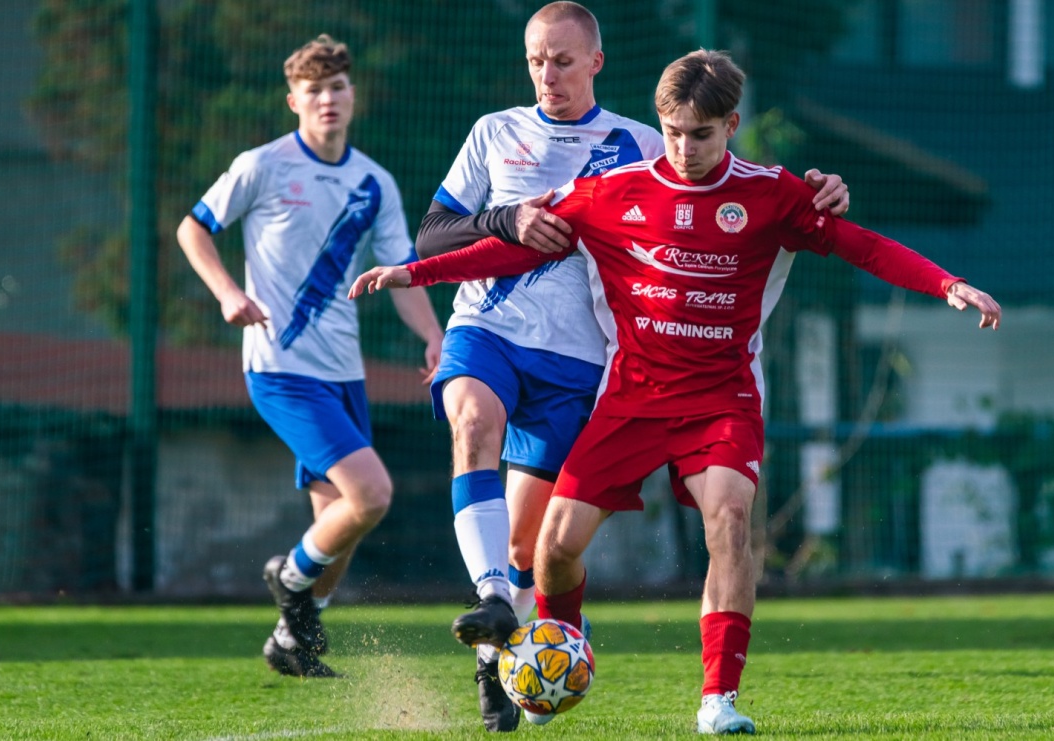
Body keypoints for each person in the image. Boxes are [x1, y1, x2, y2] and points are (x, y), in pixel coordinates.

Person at [350, 48, 1001, 734]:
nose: (686, 149)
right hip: (631, 398)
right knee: (554, 549)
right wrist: (416, 272)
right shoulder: (612, 191)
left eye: (702, 134)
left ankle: (718, 699)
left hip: (722, 401)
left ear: (731, 125)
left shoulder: (772, 193)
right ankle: (557, 651)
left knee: (728, 519)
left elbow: (860, 245)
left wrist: (946, 283)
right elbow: (523, 248)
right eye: (675, 132)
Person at [414, 2, 850, 732]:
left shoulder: (650, 142)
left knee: (534, 545)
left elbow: (728, 196)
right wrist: (505, 219)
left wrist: (817, 196)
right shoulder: (494, 132)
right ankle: (492, 599)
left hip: (583, 362)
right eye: (534, 60)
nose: (546, 74)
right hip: (489, 328)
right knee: (472, 421)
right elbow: (433, 233)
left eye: (561, 60)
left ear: (596, 63)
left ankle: (502, 653)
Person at [175, 35, 443, 679]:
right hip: (280, 370)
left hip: (343, 373)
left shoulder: (372, 182)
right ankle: (288, 578)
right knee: (373, 494)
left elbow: (398, 273)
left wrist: (435, 337)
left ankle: (289, 640)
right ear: (294, 100)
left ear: (353, 97)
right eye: (315, 89)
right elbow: (193, 228)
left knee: (340, 524)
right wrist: (228, 294)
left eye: (338, 87)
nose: (328, 99)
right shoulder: (262, 165)